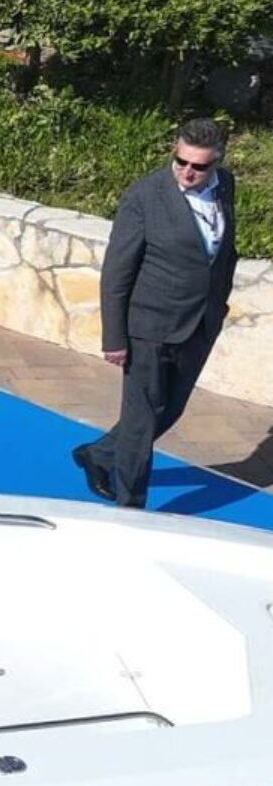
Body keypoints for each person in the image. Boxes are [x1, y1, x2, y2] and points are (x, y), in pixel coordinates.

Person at [77, 119, 240, 512]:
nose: (187, 171)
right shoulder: (144, 198)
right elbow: (116, 273)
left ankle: (99, 454)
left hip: (200, 323)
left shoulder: (226, 185)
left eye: (198, 166)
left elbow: (222, 250)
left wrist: (219, 304)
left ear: (217, 163)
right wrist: (114, 339)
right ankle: (131, 507)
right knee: (141, 420)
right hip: (148, 327)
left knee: (170, 410)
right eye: (180, 161)